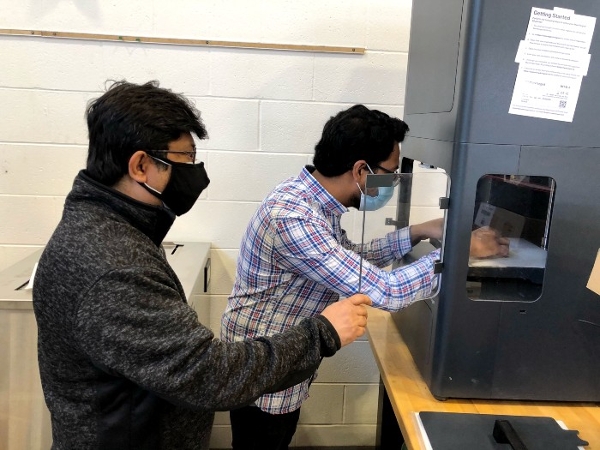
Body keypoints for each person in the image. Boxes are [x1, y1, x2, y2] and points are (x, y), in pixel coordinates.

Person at [31, 81, 372, 450]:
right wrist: (322, 333)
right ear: (141, 165)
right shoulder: (113, 266)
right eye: (184, 161)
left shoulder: (107, 227)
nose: (194, 174)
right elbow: (209, 376)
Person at [221, 104, 509, 449]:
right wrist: (461, 250)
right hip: (263, 364)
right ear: (360, 170)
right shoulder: (293, 217)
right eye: (388, 173)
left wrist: (418, 230)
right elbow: (385, 292)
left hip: (281, 353)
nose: (390, 183)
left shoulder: (312, 203)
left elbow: (350, 261)